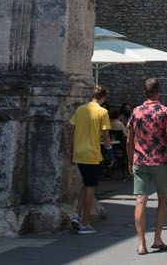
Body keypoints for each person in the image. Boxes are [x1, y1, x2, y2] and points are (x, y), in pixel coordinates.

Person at [126, 78, 167, 255]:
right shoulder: (164, 111)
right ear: (158, 92)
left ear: (144, 93)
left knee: (140, 199)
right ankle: (157, 238)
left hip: (140, 160)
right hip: (160, 161)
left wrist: (129, 160)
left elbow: (129, 139)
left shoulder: (136, 112)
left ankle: (141, 244)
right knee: (163, 198)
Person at [68, 84, 111, 235]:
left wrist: (71, 149)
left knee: (85, 184)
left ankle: (76, 215)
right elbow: (105, 134)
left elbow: (71, 129)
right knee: (91, 187)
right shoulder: (102, 111)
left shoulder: (80, 110)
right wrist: (109, 150)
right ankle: (85, 222)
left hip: (79, 152)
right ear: (103, 97)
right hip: (92, 153)